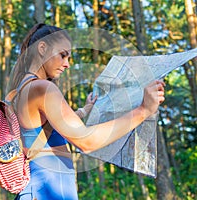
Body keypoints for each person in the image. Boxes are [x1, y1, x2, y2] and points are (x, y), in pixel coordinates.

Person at [8, 23, 165, 200]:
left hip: (35, 189)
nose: (67, 64)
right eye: (62, 55)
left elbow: (43, 132)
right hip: (48, 189)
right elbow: (86, 141)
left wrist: (84, 110)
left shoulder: (19, 91)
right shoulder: (43, 88)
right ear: (42, 48)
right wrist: (143, 110)